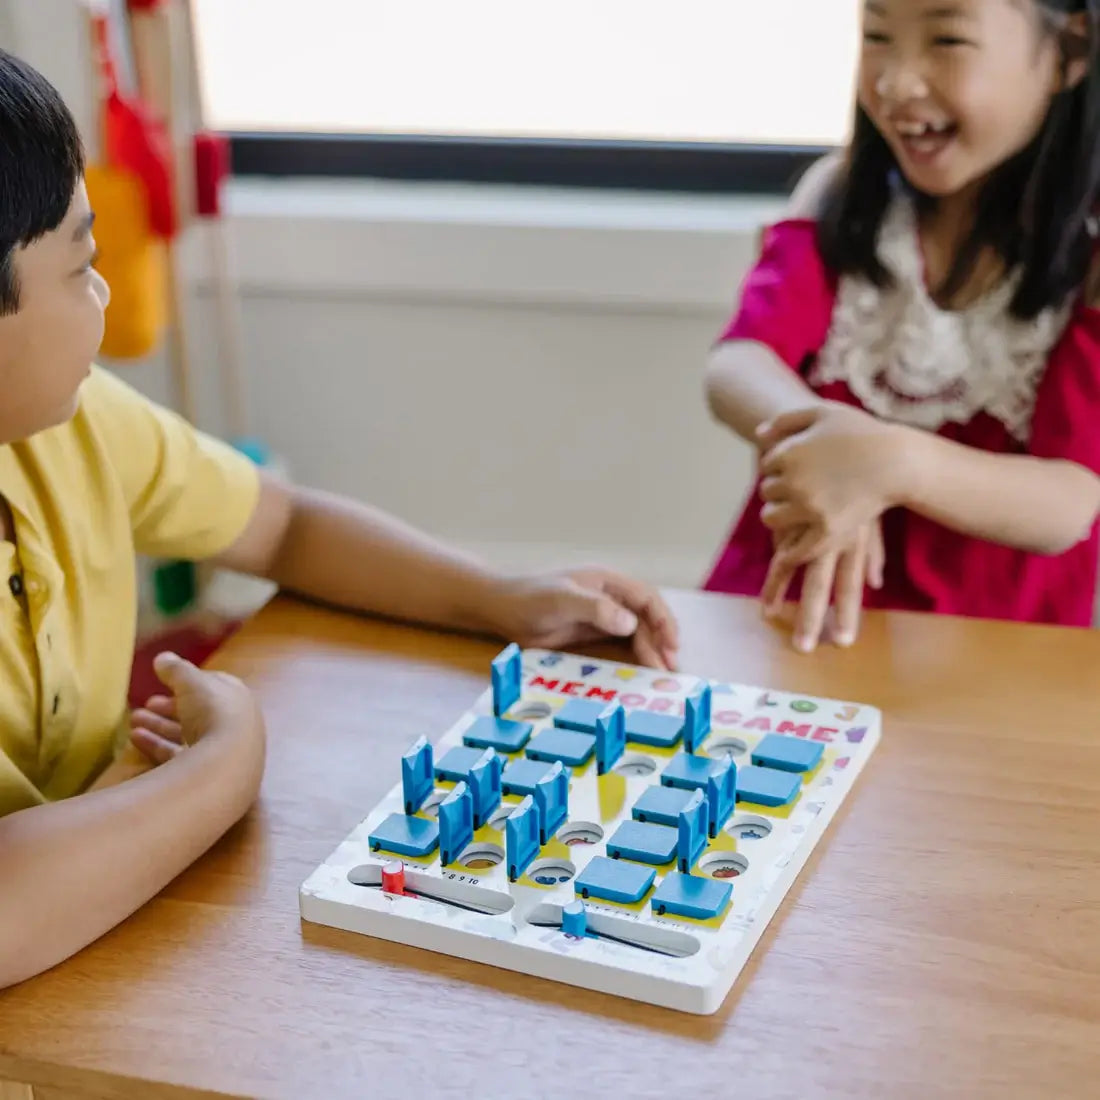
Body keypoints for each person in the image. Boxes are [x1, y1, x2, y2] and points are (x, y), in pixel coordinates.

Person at [0, 49, 679, 988]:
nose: (105, 296)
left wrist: (496, 597)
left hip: (111, 941)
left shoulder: (73, 427)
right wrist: (223, 770)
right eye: (81, 266)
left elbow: (283, 528)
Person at [703, 0, 1100, 653]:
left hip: (988, 663)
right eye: (878, 36)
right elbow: (737, 363)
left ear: (1069, 54)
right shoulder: (838, 193)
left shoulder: (1089, 254)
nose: (895, 81)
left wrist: (893, 464)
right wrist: (829, 447)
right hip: (784, 628)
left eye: (946, 38)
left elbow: (1068, 503)